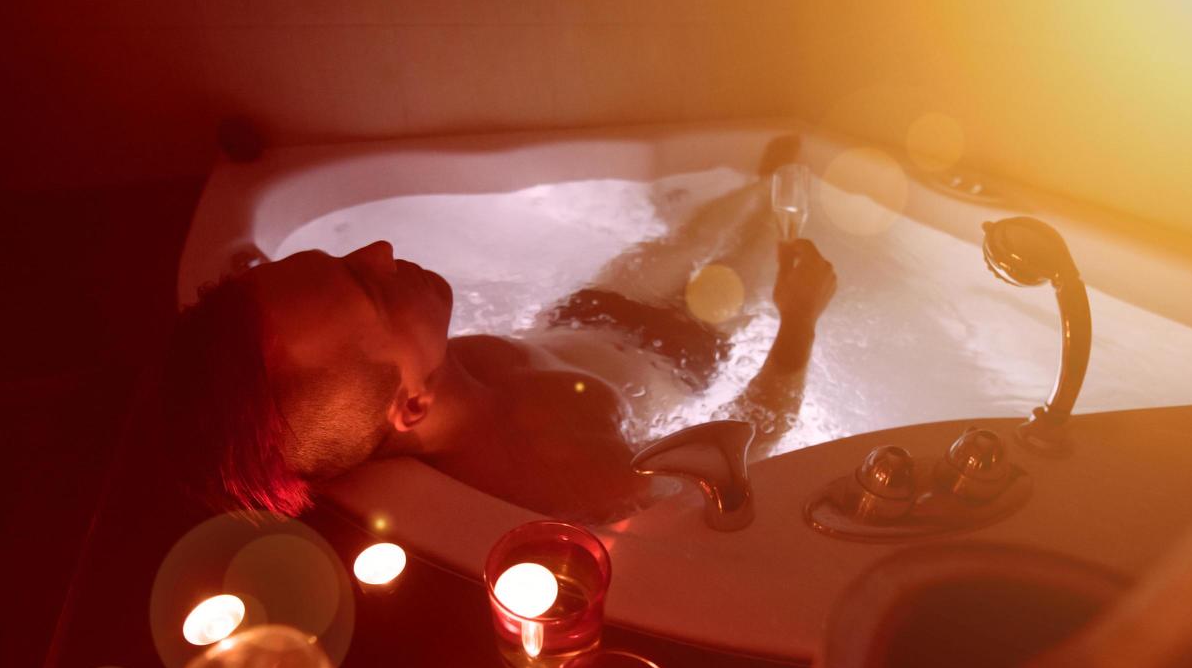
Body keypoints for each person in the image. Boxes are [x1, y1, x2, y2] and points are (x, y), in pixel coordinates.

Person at [163, 154, 835, 524]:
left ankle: (762, 174)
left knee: (689, 237)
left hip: (587, 311)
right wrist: (799, 320)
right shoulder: (570, 476)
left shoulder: (421, 383)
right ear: (411, 408)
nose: (379, 248)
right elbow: (745, 442)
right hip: (680, 356)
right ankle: (786, 197)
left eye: (344, 259)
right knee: (762, 261)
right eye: (366, 286)